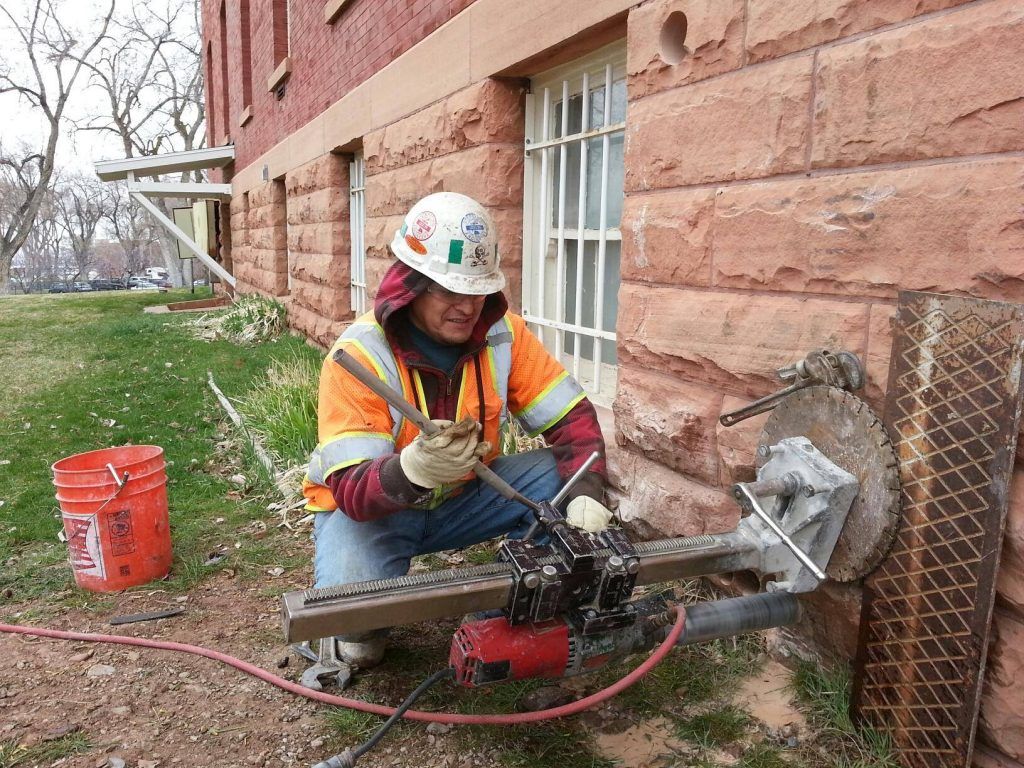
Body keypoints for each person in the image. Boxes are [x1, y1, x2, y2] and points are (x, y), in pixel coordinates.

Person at [302, 192, 612, 668]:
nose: (468, 307)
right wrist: (413, 469)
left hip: (466, 499)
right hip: (378, 514)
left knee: (565, 476)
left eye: (478, 290)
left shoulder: (503, 333)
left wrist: (587, 490)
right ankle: (360, 622)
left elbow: (572, 420)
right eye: (449, 291)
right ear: (411, 285)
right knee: (352, 624)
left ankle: (513, 605)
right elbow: (352, 492)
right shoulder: (359, 356)